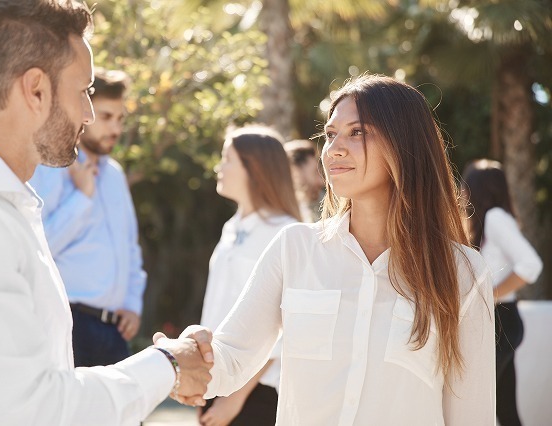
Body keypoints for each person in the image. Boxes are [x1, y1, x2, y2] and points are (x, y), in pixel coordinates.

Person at [0, 1, 213, 424]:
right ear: (35, 89)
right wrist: (168, 363)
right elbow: (37, 410)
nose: (88, 114)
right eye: (84, 90)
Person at [181, 74, 496, 425]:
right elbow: (231, 358)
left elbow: (473, 414)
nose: (334, 149)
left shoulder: (462, 270)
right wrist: (189, 356)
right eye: (330, 135)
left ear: (405, 143)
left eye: (357, 132)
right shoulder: (294, 249)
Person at [30, 68, 145, 367]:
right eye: (106, 117)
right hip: (68, 325)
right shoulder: (50, 167)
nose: (115, 129)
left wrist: (133, 305)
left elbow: (130, 248)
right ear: (86, 112)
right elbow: (39, 247)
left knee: (127, 416)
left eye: (120, 119)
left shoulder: (116, 176)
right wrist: (81, 198)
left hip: (114, 332)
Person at [199, 126, 301, 426]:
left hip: (256, 393)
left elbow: (280, 329)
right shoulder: (232, 228)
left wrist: (234, 400)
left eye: (227, 159)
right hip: (216, 382)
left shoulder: (285, 232)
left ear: (253, 168)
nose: (220, 167)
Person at [462, 159, 543, 426]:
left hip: (501, 322)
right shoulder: (488, 221)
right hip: (500, 323)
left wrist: (489, 294)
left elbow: (531, 265)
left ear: (479, 188)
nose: (462, 191)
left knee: (472, 404)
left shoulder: (495, 218)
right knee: (506, 411)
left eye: (466, 184)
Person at [283, 139, 325, 222]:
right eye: (315, 172)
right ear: (295, 171)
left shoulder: (328, 200)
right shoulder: (287, 212)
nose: (321, 180)